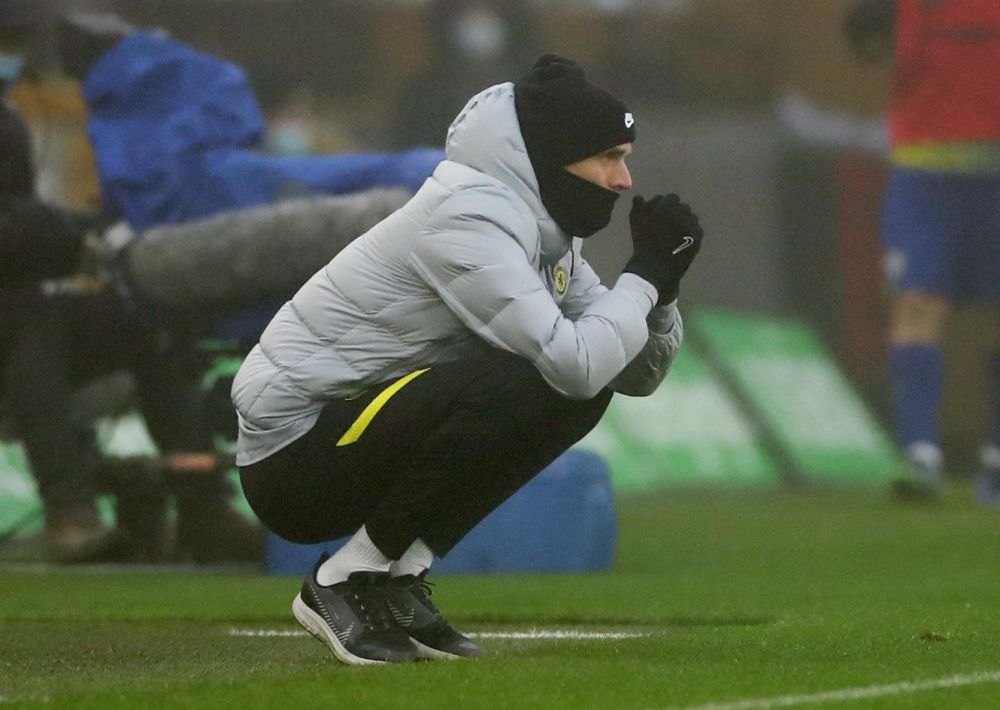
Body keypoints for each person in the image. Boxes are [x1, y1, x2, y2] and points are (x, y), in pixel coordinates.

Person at [232, 55, 703, 665]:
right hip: (293, 458)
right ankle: (342, 582)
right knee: (537, 375)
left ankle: (398, 582)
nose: (623, 180)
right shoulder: (468, 216)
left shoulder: (543, 228)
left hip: (347, 434)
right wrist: (642, 275)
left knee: (573, 384)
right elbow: (576, 363)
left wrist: (660, 295)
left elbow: (631, 373)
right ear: (551, 158)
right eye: (609, 157)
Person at [845, 0, 1000, 502]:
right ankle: (921, 455)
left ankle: (996, 458)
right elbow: (866, 37)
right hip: (924, 173)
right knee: (916, 303)